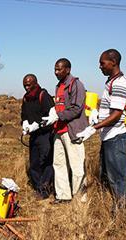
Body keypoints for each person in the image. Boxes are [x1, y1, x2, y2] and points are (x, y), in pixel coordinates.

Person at [77, 49, 126, 214]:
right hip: (109, 136)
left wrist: (93, 128)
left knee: (118, 177)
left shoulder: (120, 83)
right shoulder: (111, 82)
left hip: (117, 136)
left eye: (102, 63)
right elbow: (111, 110)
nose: (99, 66)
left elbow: (116, 115)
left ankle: (122, 214)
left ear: (113, 62)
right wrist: (96, 116)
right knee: (107, 174)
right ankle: (109, 206)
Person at [42, 58, 88, 204]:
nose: (56, 72)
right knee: (59, 164)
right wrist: (53, 114)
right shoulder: (59, 86)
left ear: (67, 69)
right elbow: (60, 105)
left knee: (76, 165)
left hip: (72, 129)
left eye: (59, 69)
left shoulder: (76, 84)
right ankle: (63, 196)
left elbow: (76, 108)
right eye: (55, 69)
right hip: (59, 130)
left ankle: (80, 198)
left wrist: (58, 115)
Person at [21, 74, 54, 200]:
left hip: (45, 135)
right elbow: (23, 114)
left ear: (35, 83)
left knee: (45, 161)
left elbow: (51, 116)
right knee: (34, 163)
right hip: (33, 135)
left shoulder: (43, 95)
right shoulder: (26, 98)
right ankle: (38, 187)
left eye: (29, 84)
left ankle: (44, 189)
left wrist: (38, 125)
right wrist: (24, 124)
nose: (27, 87)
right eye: (25, 85)